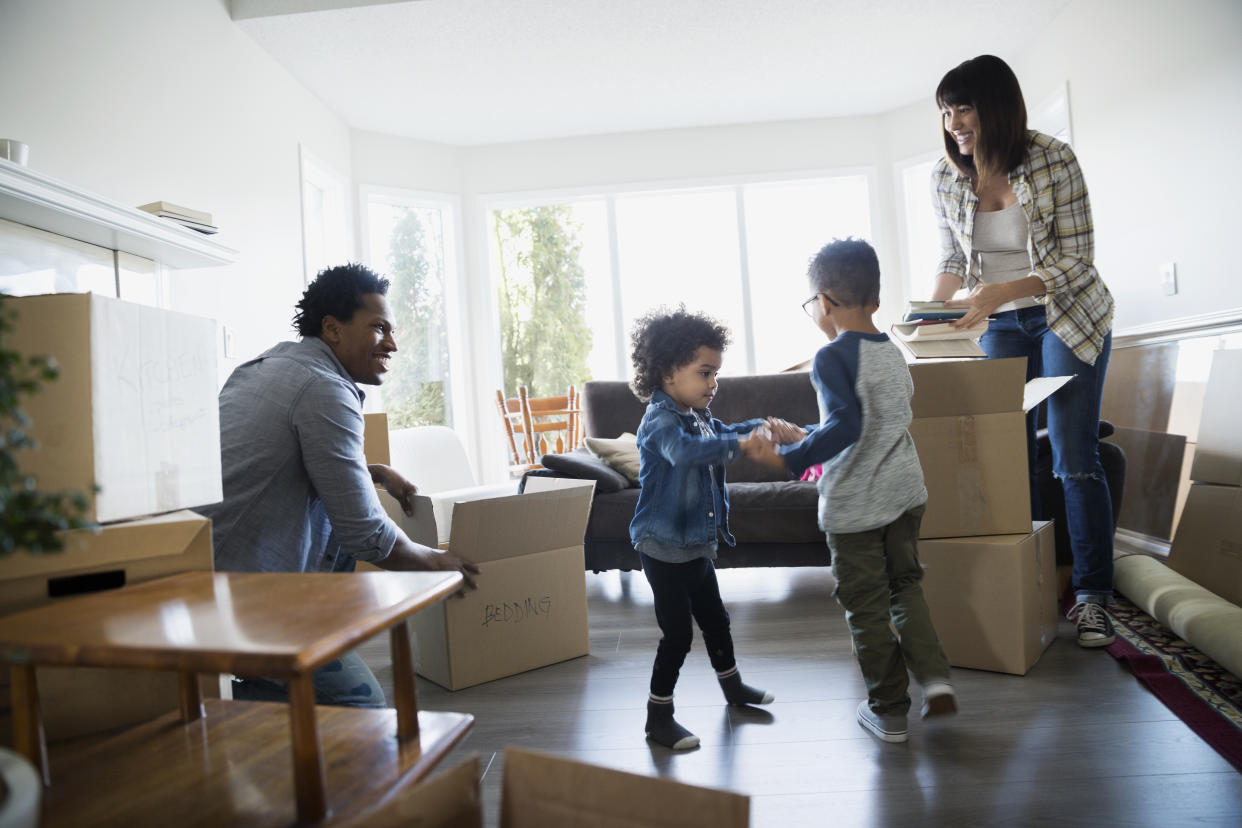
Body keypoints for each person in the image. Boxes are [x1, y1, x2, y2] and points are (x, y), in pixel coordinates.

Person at [200, 263, 480, 707]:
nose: (392, 343)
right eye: (379, 328)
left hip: (204, 572)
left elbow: (282, 467)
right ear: (332, 329)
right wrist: (436, 562)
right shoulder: (325, 388)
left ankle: (266, 686)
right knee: (363, 709)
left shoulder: (265, 366)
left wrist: (371, 472)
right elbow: (364, 533)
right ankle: (263, 688)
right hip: (244, 599)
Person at [929, 54, 1116, 647]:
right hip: (1000, 326)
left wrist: (1007, 289)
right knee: (1008, 457)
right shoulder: (945, 175)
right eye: (946, 111)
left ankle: (1091, 599)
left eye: (964, 107)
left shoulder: (1052, 159)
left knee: (1072, 456)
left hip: (1066, 316)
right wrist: (932, 313)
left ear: (997, 105)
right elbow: (953, 260)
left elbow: (1075, 260)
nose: (955, 121)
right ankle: (1032, 583)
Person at [765, 238, 956, 744]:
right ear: (873, 299)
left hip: (857, 508)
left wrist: (792, 457)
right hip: (906, 494)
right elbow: (871, 422)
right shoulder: (892, 352)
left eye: (812, 305)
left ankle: (889, 710)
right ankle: (935, 678)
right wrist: (809, 432)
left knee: (866, 606)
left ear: (824, 303)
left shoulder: (829, 356)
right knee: (906, 588)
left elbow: (848, 428)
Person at [628, 307, 779, 750]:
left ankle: (733, 689)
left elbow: (723, 432)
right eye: (706, 373)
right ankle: (658, 718)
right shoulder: (660, 421)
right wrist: (742, 445)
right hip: (661, 546)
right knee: (676, 636)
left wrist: (765, 428)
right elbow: (687, 452)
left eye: (716, 374)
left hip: (695, 544)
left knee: (716, 620)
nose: (714, 384)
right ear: (669, 371)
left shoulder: (696, 414)